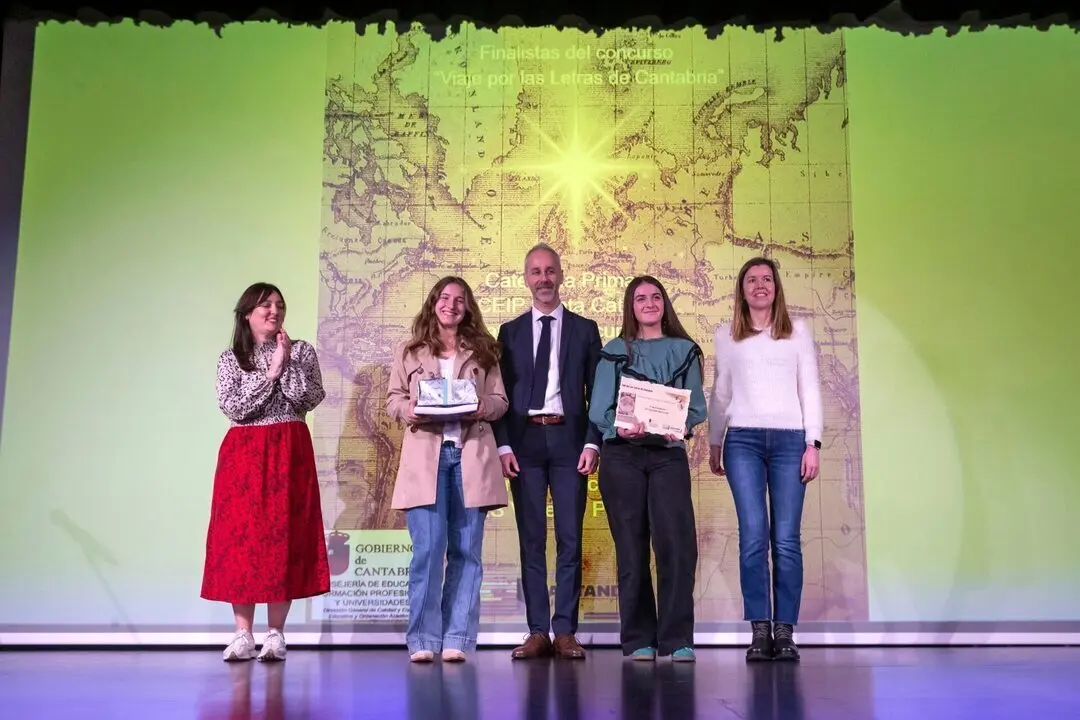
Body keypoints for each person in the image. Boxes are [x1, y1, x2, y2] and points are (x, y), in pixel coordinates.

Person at [201, 282, 330, 662]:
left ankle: (276, 634)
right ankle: (243, 634)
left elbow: (310, 398)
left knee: (283, 535)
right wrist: (270, 372)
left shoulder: (301, 351)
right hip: (244, 453)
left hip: (290, 449)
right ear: (247, 315)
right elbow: (235, 407)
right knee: (240, 539)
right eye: (264, 306)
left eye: (278, 304)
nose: (274, 311)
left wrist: (285, 361)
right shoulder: (231, 358)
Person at [386, 275, 509, 663]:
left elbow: (500, 401)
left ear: (468, 307)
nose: (451, 305)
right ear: (433, 303)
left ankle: (457, 637)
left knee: (467, 553)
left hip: (470, 456)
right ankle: (422, 639)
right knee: (427, 552)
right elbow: (393, 399)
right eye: (444, 297)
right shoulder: (409, 352)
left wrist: (482, 408)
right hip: (427, 459)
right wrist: (407, 408)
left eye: (459, 299)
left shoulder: (485, 353)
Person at [708, 256, 823, 662]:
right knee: (754, 536)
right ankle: (760, 630)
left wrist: (814, 443)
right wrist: (714, 441)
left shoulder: (798, 333)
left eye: (767, 279)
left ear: (776, 288)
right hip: (743, 442)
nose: (760, 285)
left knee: (787, 540)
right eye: (752, 280)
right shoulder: (727, 336)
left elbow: (809, 388)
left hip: (792, 442)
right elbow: (721, 394)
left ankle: (785, 632)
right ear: (741, 289)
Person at [493, 243, 603, 660]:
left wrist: (593, 441)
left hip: (569, 441)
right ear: (526, 278)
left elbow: (600, 392)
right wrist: (502, 443)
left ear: (561, 275)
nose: (543, 278)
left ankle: (566, 632)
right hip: (525, 444)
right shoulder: (510, 332)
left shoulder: (585, 329)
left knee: (571, 540)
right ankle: (538, 631)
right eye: (535, 271)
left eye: (550, 271)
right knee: (532, 539)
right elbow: (499, 395)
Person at [588, 275, 707, 663]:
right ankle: (639, 638)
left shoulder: (685, 350)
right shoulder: (614, 349)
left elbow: (696, 407)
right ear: (631, 306)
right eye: (641, 298)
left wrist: (678, 424)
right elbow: (599, 407)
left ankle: (677, 640)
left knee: (675, 545)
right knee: (631, 548)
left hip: (667, 454)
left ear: (664, 303)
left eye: (656, 296)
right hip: (622, 455)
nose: (649, 303)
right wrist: (618, 426)